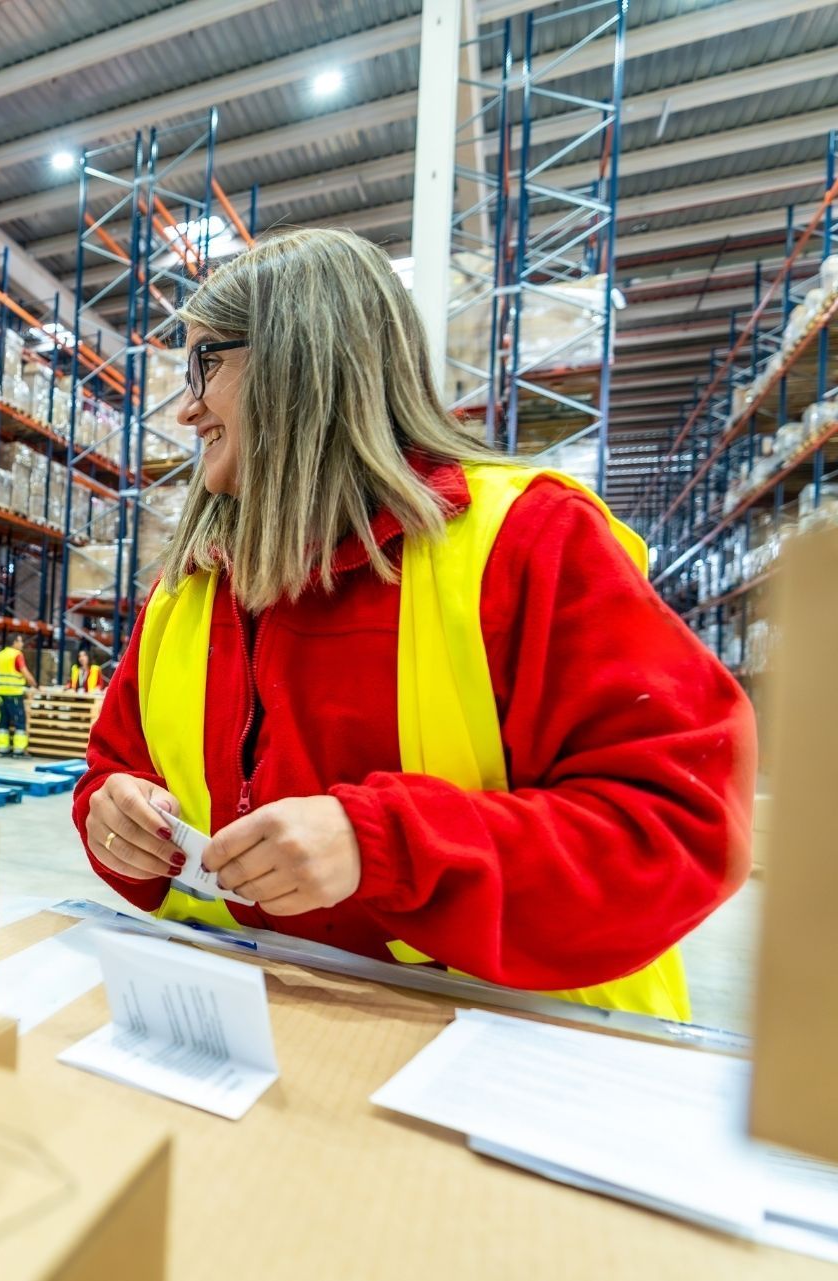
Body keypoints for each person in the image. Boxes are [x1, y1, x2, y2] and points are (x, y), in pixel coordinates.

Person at [74, 228, 754, 1022]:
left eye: (206, 364)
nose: (187, 407)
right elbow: (114, 767)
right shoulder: (188, 588)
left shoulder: (528, 543)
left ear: (300, 359)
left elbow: (679, 827)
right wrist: (112, 818)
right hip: (258, 1028)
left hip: (509, 1047)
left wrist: (385, 845)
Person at [0, 635, 34, 756]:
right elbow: (24, 672)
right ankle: (18, 750)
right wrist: (34, 684)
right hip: (15, 693)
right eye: (20, 641)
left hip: (1, 693)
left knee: (3, 722)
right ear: (14, 642)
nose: (22, 644)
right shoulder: (17, 655)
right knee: (19, 721)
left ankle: (2, 749)